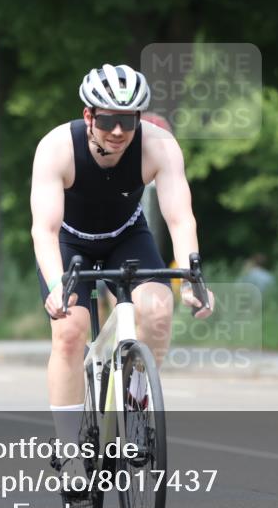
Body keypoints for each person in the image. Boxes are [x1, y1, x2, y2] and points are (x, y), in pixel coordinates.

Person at [31, 63, 214, 485]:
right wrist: (59, 286)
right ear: (89, 115)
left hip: (126, 236)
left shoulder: (160, 146)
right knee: (70, 331)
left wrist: (194, 276)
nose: (118, 131)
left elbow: (180, 218)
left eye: (128, 121)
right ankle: (69, 454)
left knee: (158, 311)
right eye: (109, 119)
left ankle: (134, 405)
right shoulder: (57, 147)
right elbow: (45, 229)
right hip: (69, 243)